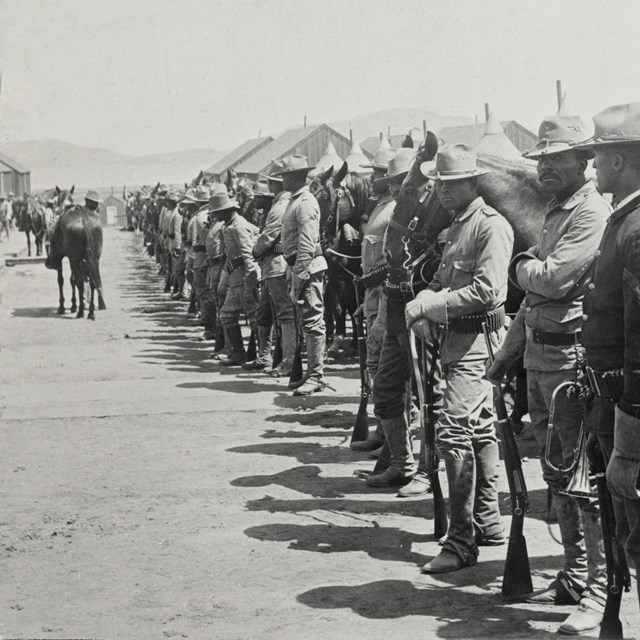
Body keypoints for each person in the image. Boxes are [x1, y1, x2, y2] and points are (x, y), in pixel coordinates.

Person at [487, 106, 610, 634]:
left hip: (572, 361)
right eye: (542, 160)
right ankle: (573, 573)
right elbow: (532, 304)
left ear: (585, 160)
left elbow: (554, 280)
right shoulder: (558, 212)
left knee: (584, 478)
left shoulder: (590, 214)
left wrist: (521, 268)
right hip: (540, 356)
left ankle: (601, 589)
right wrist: (504, 358)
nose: (546, 169)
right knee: (556, 472)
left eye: (558, 159)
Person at [405, 144, 513, 573]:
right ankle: (487, 522)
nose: (444, 193)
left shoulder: (491, 227)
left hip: (478, 344)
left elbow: (488, 292)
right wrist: (425, 297)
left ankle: (461, 542)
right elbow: (440, 281)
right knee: (480, 429)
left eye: (453, 184)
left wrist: (432, 306)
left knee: (453, 434)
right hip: (457, 344)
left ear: (474, 182)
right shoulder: (455, 228)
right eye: (440, 186)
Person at [575, 102, 640, 616]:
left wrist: (630, 435)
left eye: (598, 157)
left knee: (637, 534)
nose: (593, 167)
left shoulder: (636, 229)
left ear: (619, 160)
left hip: (630, 407)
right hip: (612, 397)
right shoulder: (624, 222)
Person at [366, 147, 424, 489]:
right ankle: (402, 462)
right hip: (396, 308)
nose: (399, 190)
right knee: (387, 387)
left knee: (429, 395)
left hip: (424, 310)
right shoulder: (398, 214)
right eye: (397, 184)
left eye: (406, 184)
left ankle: (429, 471)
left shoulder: (433, 216)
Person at [349, 147, 395, 453]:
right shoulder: (380, 207)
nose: (372, 178)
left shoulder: (393, 210)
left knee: (385, 368)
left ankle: (389, 432)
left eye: (377, 174)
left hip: (385, 295)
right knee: (375, 366)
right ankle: (382, 426)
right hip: (373, 297)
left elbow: (393, 260)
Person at [279, 155, 328, 395]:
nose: (282, 179)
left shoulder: (305, 202)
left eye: (285, 175)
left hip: (307, 268)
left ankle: (316, 376)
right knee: (305, 323)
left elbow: (307, 245)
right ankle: (310, 373)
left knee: (313, 322)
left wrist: (297, 279)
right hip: (297, 267)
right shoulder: (295, 200)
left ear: (294, 176)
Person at [248, 177, 294, 372]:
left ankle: (289, 361)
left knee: (284, 313)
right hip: (271, 266)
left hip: (277, 265)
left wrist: (255, 251)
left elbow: (268, 237)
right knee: (264, 313)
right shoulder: (280, 205)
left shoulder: (279, 207)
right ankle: (266, 356)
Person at [211, 185, 259, 366]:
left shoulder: (238, 227)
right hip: (234, 279)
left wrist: (251, 283)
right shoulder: (228, 226)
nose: (214, 216)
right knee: (227, 315)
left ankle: (259, 355)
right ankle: (239, 353)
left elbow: (248, 257)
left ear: (227, 211)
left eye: (217, 212)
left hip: (245, 280)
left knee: (255, 319)